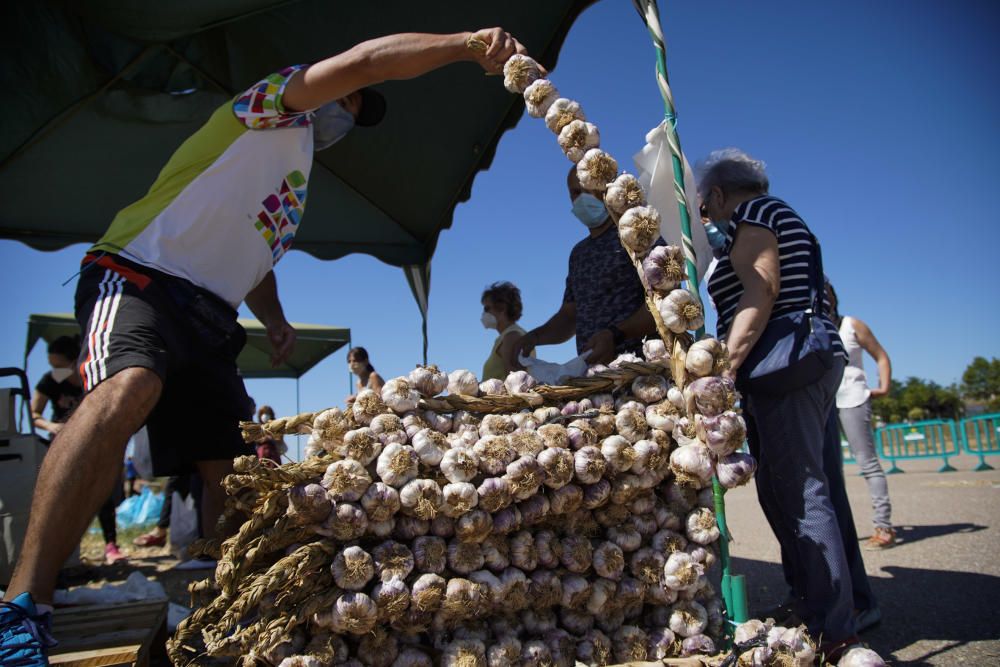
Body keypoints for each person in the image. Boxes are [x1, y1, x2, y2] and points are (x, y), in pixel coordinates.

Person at [1, 26, 530, 663]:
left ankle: (225, 607)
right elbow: (366, 60)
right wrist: (464, 45)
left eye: (356, 111)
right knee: (129, 388)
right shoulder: (265, 108)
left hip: (212, 315)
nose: (348, 111)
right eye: (351, 97)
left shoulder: (294, 182)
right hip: (141, 273)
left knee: (231, 467)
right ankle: (23, 606)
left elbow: (257, 256)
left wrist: (275, 319)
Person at [698, 148, 875, 660]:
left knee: (796, 492)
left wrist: (726, 367)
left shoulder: (756, 213)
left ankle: (834, 628)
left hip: (782, 367)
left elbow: (762, 286)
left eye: (705, 209)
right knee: (814, 489)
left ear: (717, 194)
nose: (706, 219)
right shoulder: (786, 216)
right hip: (810, 361)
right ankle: (839, 605)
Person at [513, 166, 658, 366]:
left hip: (643, 371)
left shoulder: (637, 236)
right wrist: (534, 338)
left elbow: (663, 303)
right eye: (574, 192)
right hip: (593, 377)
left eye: (586, 189)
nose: (580, 198)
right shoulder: (578, 254)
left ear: (605, 189)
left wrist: (616, 335)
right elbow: (569, 316)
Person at [30, 336, 127, 567]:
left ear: (75, 361)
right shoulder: (50, 382)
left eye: (58, 365)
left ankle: (111, 545)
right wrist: (52, 426)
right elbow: (34, 414)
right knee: (65, 496)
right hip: (61, 444)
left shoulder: (94, 378)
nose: (55, 370)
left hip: (96, 441)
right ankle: (67, 553)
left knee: (102, 493)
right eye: (52, 366)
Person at [827, 280, 896, 549]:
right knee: (831, 470)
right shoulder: (812, 325)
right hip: (826, 402)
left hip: (853, 398)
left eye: (827, 292)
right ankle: (839, 533)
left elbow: (881, 355)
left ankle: (883, 526)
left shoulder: (851, 325)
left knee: (867, 462)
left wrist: (884, 386)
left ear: (833, 296)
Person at [480, 281, 532, 379]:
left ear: (502, 308)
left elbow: (517, 382)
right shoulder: (507, 336)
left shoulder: (512, 336)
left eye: (487, 308)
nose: (484, 313)